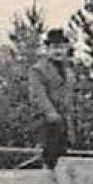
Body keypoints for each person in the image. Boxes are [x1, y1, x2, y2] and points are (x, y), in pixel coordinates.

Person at [27, 28, 75, 169]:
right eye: (54, 47)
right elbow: (38, 95)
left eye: (61, 47)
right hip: (46, 124)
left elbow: (69, 100)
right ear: (47, 49)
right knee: (48, 160)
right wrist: (51, 114)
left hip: (64, 124)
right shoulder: (38, 70)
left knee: (64, 161)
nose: (58, 51)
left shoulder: (68, 71)